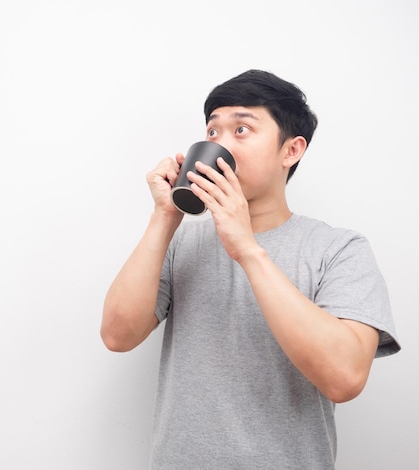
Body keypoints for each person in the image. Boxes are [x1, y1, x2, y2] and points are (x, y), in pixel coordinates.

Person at [100, 69, 401, 469]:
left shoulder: (338, 249)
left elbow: (344, 378)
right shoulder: (181, 244)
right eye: (212, 132)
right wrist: (164, 216)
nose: (220, 143)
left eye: (241, 129)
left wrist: (247, 249)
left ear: (291, 150)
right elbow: (118, 336)